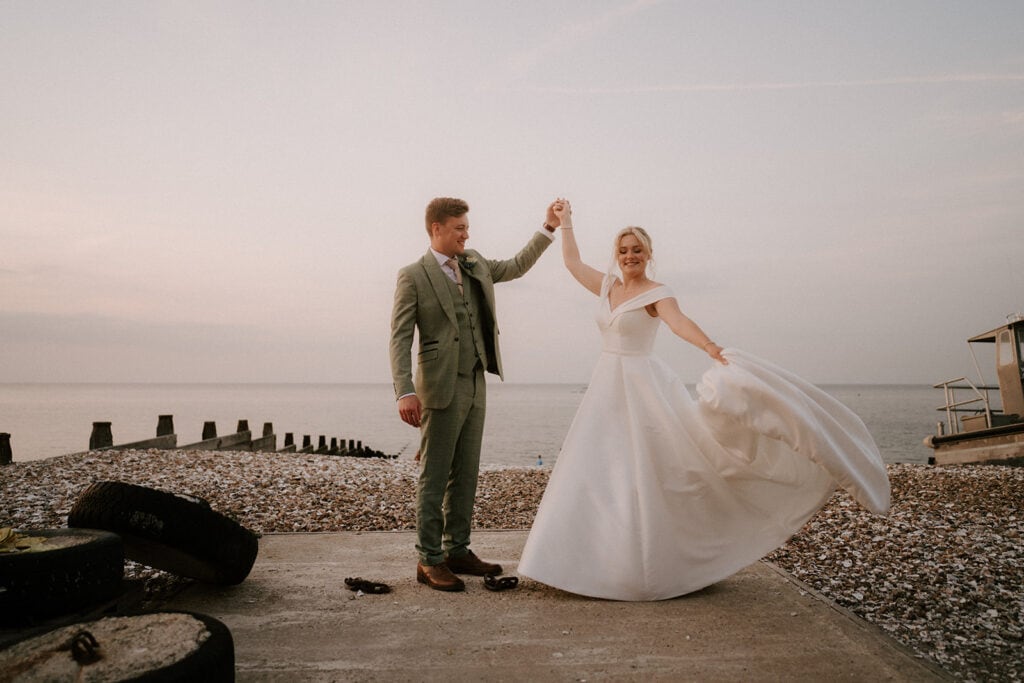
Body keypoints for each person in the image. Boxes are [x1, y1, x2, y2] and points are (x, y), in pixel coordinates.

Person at [518, 199, 890, 601]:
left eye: (637, 250)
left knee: (651, 470)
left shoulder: (657, 293)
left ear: (648, 255)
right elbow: (572, 263)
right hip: (605, 388)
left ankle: (653, 566)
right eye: (623, 250)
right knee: (599, 468)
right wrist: (565, 222)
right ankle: (584, 562)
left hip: (641, 385)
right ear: (616, 255)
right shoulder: (607, 286)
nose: (630, 256)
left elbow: (679, 323)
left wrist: (710, 346)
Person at [390, 197, 557, 592]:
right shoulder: (413, 275)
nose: (467, 233)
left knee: (466, 473)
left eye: (467, 227)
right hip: (438, 386)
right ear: (437, 229)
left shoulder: (475, 262)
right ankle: (428, 559)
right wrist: (404, 391)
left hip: (476, 381)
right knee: (435, 475)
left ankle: (457, 550)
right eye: (460, 228)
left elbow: (516, 266)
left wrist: (547, 228)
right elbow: (399, 337)